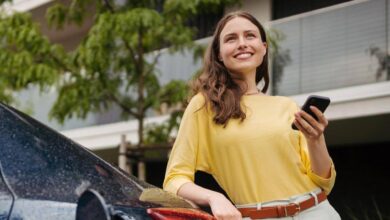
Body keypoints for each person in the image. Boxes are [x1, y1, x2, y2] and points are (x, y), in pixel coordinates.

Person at [163, 11, 340, 220]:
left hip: (317, 211)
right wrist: (214, 198)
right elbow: (174, 179)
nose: (242, 43)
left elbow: (324, 182)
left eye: (250, 36)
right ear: (219, 54)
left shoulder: (287, 106)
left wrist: (316, 139)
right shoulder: (204, 105)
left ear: (263, 48)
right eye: (231, 38)